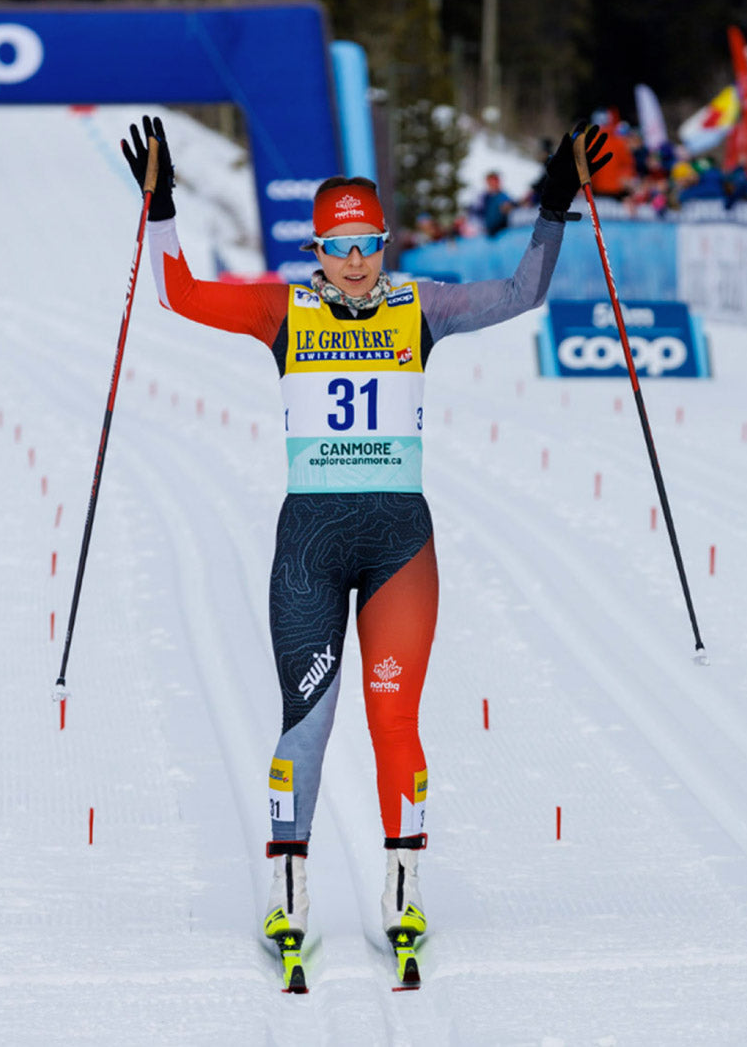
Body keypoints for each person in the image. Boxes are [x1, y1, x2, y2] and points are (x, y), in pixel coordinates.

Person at [122, 115, 610, 973]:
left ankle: (402, 892)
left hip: (397, 545)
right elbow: (178, 294)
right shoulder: (284, 307)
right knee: (304, 726)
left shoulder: (418, 304)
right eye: (340, 244)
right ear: (318, 245)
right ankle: (288, 894)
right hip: (311, 538)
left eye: (369, 242)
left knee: (395, 722)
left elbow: (522, 293)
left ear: (384, 241)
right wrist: (159, 207)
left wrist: (553, 204)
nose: (355, 259)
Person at [479, 171, 513, 236]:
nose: (493, 184)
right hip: (487, 232)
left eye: (495, 181)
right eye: (491, 182)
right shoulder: (484, 198)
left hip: (502, 232)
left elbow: (509, 208)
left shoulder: (503, 196)